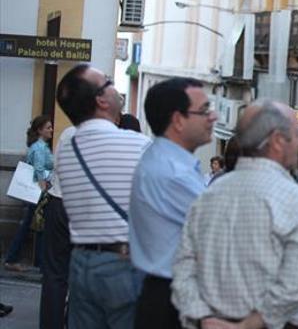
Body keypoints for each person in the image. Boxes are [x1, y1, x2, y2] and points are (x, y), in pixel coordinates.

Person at [172, 99, 298, 329]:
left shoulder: (208, 196)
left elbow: (182, 270)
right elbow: (297, 285)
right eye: (297, 134)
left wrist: (204, 319)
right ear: (278, 141)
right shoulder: (296, 201)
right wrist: (251, 324)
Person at [54, 63, 151, 329]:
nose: (114, 85)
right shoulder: (137, 144)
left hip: (82, 262)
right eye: (108, 81)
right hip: (123, 263)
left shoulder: (67, 145)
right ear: (101, 100)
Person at [130, 78, 216, 329]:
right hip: (170, 299)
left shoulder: (169, 161)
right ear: (178, 120)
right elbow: (218, 231)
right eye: (204, 111)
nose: (212, 117)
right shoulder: (173, 172)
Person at [3, 115, 53, 272]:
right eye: (48, 127)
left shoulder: (39, 146)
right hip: (37, 192)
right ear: (39, 130)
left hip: (35, 192)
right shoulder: (39, 148)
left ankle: (38, 262)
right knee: (29, 226)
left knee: (36, 226)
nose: (51, 130)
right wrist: (47, 183)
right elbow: (39, 170)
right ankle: (13, 258)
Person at [40, 123, 76, 329]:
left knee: (54, 273)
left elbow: (57, 166)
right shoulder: (107, 138)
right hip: (83, 207)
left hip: (59, 200)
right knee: (80, 272)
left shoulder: (68, 133)